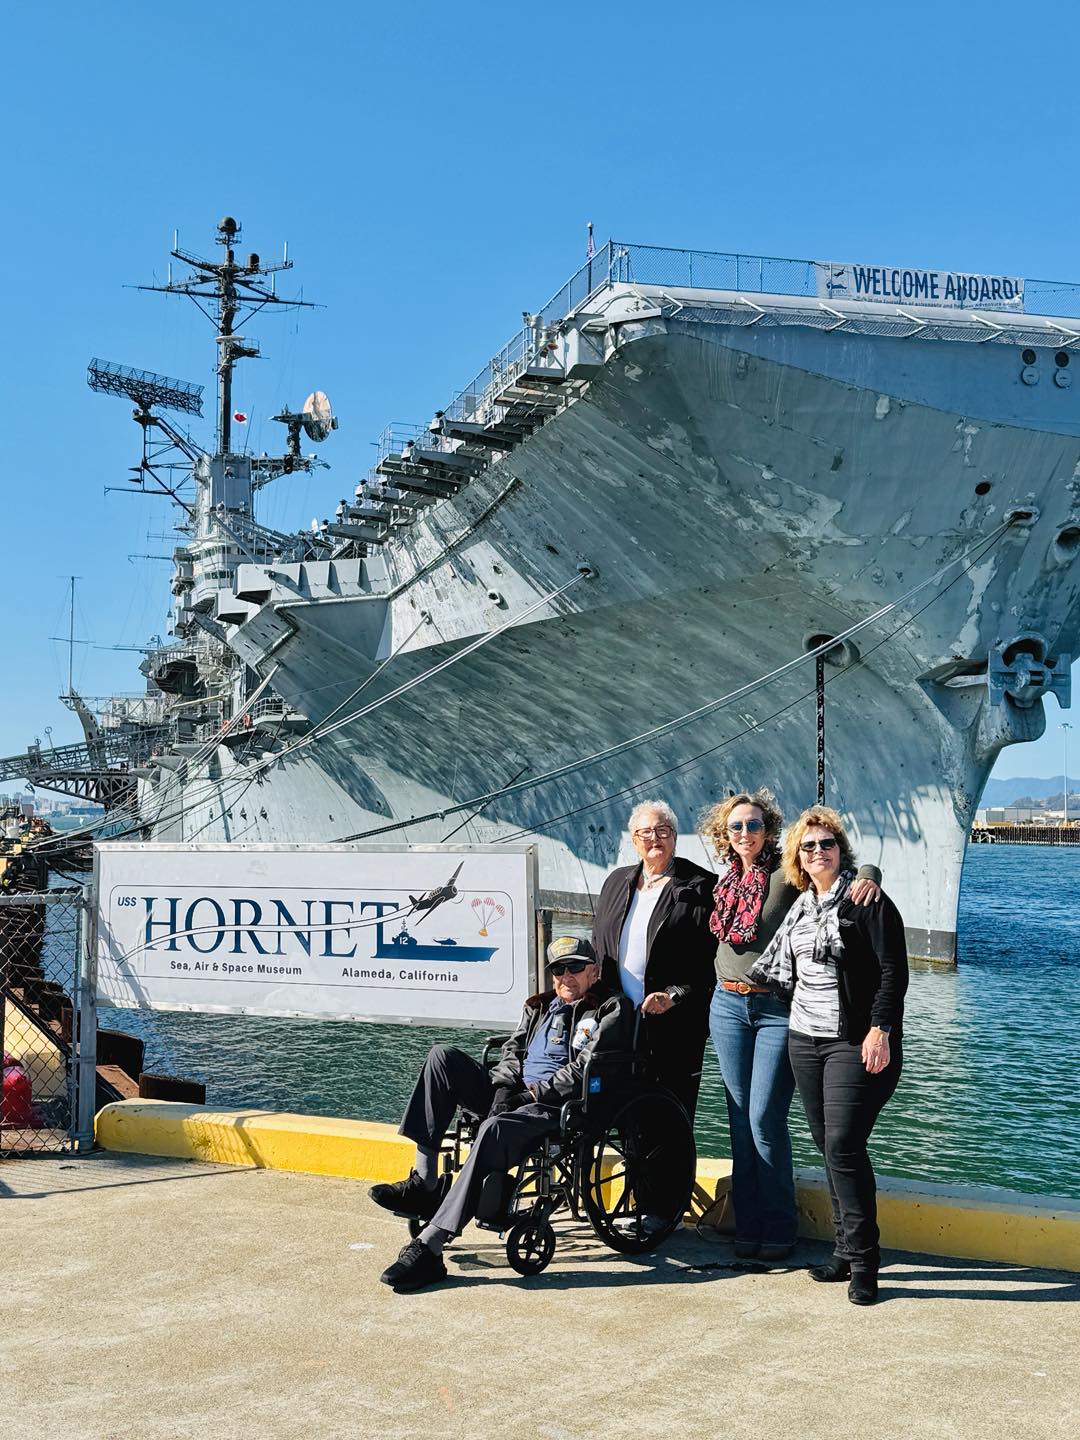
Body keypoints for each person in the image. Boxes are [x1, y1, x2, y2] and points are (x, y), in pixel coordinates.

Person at [371, 936, 633, 1293]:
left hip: (559, 1106)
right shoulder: (539, 1006)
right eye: (558, 969)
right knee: (441, 1058)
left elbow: (585, 1068)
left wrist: (529, 1094)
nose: (566, 976)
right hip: (515, 1095)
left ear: (594, 971)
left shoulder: (610, 1008)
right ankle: (425, 1183)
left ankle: (431, 1246)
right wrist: (503, 1090)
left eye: (575, 967)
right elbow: (512, 1049)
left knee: (495, 1127)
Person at [702, 790, 881, 1261]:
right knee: (739, 1121)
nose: (745, 834)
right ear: (726, 832)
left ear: (770, 830)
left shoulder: (785, 875)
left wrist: (869, 875)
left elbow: (835, 871)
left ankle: (781, 1225)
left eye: (755, 826)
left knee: (764, 1119)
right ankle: (749, 1222)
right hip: (726, 1005)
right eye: (737, 826)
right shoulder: (724, 880)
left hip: (776, 1009)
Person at [749, 805, 907, 1306]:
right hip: (804, 1038)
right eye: (809, 846)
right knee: (826, 1145)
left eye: (828, 844)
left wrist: (880, 1028)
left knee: (842, 1144)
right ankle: (842, 1248)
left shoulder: (868, 902)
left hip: (852, 1040)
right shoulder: (799, 905)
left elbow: (892, 972)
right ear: (797, 856)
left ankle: (865, 1261)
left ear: (842, 850)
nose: (819, 852)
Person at [591, 800, 716, 1119]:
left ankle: (672, 1171)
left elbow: (713, 962)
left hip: (674, 1025)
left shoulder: (701, 886)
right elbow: (598, 944)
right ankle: (635, 1170)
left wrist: (676, 995)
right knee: (622, 1113)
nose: (654, 838)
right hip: (618, 1021)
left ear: (675, 837)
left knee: (671, 1113)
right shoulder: (615, 882)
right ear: (633, 840)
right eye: (644, 832)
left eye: (663, 830)